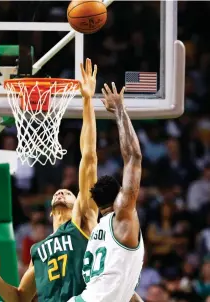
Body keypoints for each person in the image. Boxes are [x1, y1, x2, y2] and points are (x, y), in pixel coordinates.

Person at [0, 58, 99, 302]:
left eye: (68, 192)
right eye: (60, 192)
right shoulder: (40, 250)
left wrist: (88, 101)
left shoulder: (84, 220)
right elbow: (19, 298)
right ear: (48, 213)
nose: (61, 192)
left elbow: (88, 158)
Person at [69, 82, 144, 302]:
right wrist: (119, 110)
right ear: (121, 196)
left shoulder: (97, 231)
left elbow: (122, 288)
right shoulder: (123, 216)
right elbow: (133, 157)